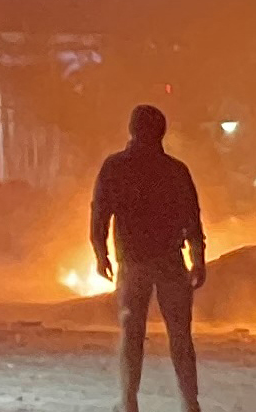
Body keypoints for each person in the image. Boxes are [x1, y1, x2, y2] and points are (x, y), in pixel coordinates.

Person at [90, 101, 210, 412]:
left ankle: (129, 401)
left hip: (133, 262)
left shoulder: (115, 166)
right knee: (181, 336)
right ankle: (190, 402)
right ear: (161, 132)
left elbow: (100, 214)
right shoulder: (175, 170)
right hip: (170, 262)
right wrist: (197, 258)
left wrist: (100, 252)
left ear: (131, 130)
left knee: (132, 333)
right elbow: (192, 219)